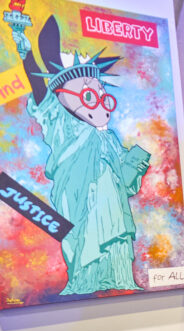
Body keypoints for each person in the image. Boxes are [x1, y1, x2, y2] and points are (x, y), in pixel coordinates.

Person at [23, 16, 147, 295]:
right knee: (85, 238)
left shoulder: (110, 138)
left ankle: (119, 279)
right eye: (90, 97)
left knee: (115, 244)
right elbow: (41, 92)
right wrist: (26, 52)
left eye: (103, 96)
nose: (100, 104)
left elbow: (126, 183)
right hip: (82, 204)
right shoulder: (65, 128)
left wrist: (135, 164)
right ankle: (85, 280)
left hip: (114, 211)